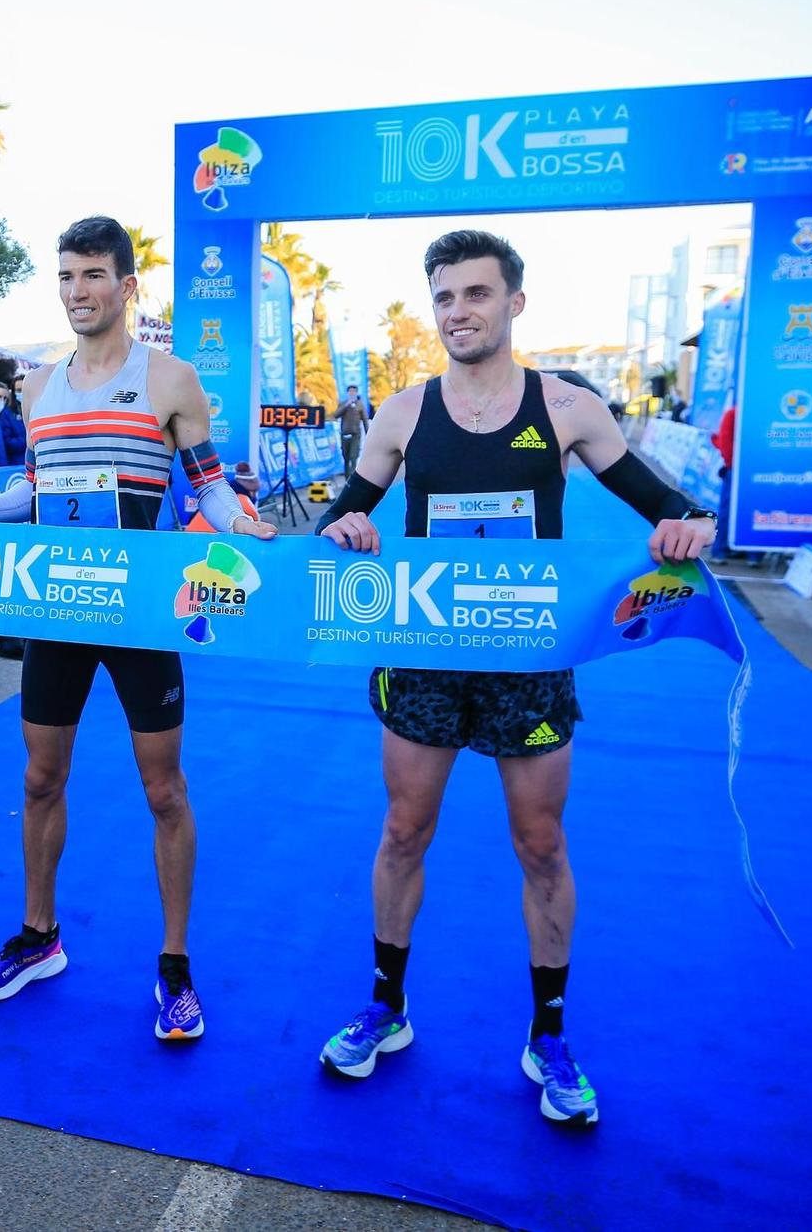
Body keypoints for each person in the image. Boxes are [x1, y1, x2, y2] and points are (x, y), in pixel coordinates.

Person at [311, 231, 716, 1124]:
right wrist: (344, 528)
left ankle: (550, 1035)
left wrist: (686, 527)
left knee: (540, 844)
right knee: (404, 831)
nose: (458, 311)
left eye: (477, 294)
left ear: (514, 304)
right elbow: (345, 507)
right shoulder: (402, 413)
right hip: (424, 661)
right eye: (445, 296)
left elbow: (666, 502)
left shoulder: (569, 407)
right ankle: (387, 1006)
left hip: (528, 667)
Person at [0, 216, 277, 1041]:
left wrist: (247, 528)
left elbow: (210, 491)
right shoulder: (40, 386)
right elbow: (31, 487)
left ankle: (175, 965)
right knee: (40, 778)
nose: (77, 292)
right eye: (66, 277)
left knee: (164, 788)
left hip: (141, 613)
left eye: (92, 276)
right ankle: (40, 936)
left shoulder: (173, 379)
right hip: (56, 612)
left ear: (127, 286)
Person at [711, 404, 738, 564]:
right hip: (737, 469)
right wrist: (730, 463)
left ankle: (751, 553)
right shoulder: (733, 413)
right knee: (727, 510)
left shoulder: (735, 413)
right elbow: (725, 439)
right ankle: (720, 549)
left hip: (747, 470)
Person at [337, 384, 369, 478]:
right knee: (346, 457)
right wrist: (346, 406)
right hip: (344, 434)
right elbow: (336, 415)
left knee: (353, 457)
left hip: (355, 435)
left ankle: (352, 478)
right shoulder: (343, 403)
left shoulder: (360, 404)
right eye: (350, 391)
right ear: (348, 393)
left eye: (354, 392)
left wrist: (368, 434)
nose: (352, 393)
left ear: (356, 393)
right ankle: (347, 477)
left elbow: (365, 420)